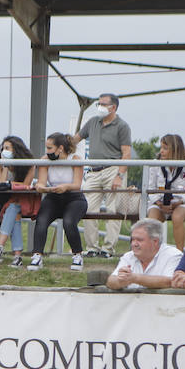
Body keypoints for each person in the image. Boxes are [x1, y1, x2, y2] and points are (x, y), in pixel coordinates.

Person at [73, 93, 134, 257]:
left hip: (113, 168)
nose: (99, 107)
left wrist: (119, 175)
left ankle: (108, 249)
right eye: (98, 104)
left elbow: (126, 154)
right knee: (88, 209)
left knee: (112, 210)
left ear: (113, 107)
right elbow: (75, 139)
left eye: (102, 104)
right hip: (93, 170)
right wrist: (59, 150)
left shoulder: (122, 126)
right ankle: (92, 247)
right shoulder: (92, 122)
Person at [27, 132, 87, 273]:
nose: (47, 152)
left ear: (60, 148)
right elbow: (41, 183)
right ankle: (37, 255)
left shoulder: (75, 159)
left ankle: (77, 255)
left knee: (69, 222)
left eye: (49, 148)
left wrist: (65, 187)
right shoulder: (45, 161)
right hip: (53, 196)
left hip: (74, 197)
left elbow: (77, 184)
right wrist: (41, 187)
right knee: (41, 220)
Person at [0, 135, 39, 267]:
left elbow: (26, 185)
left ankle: (0, 247)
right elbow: (2, 185)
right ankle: (17, 256)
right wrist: (5, 166)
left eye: (7, 148)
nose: (4, 151)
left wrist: (8, 182)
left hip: (25, 199)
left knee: (13, 207)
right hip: (6, 200)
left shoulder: (29, 164)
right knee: (13, 211)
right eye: (3, 148)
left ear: (16, 150)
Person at [144, 134, 185, 251]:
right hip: (159, 202)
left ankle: (179, 254)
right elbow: (150, 188)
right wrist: (159, 203)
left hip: (181, 203)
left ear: (175, 150)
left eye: (165, 148)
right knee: (151, 220)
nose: (161, 151)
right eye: (161, 148)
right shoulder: (155, 165)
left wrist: (179, 202)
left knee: (177, 217)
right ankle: (152, 254)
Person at [106, 219, 184, 291]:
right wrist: (120, 280)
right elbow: (110, 281)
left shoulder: (173, 256)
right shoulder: (128, 256)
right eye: (133, 239)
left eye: (139, 240)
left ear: (155, 241)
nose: (134, 244)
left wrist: (134, 278)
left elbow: (170, 281)